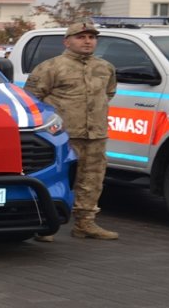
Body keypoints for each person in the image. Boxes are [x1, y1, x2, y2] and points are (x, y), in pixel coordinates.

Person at [25, 21, 119, 241]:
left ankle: (85, 223)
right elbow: (32, 99)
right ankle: (46, 225)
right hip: (62, 136)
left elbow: (109, 93)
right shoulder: (51, 67)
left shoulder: (105, 67)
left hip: (95, 134)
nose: (87, 41)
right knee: (56, 178)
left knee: (92, 178)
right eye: (81, 37)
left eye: (91, 37)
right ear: (66, 42)